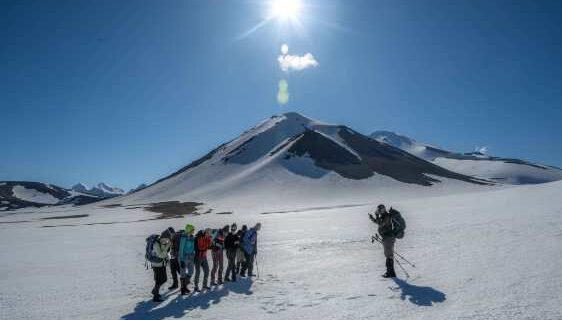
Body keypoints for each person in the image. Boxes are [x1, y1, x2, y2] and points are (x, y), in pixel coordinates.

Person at [369, 204, 396, 278]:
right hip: (387, 238)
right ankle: (390, 272)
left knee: (389, 255)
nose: (378, 211)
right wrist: (373, 219)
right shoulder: (384, 216)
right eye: (378, 210)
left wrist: (377, 216)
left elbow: (381, 224)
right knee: (388, 255)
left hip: (388, 238)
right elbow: (379, 223)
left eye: (379, 210)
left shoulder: (386, 216)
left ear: (382, 210)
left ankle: (390, 273)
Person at [150, 229, 172, 302]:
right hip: (156, 265)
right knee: (158, 280)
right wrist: (167, 247)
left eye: (168, 240)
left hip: (162, 264)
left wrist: (168, 260)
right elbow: (161, 255)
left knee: (164, 279)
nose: (167, 241)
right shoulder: (156, 244)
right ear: (163, 237)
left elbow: (165, 255)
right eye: (167, 239)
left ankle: (155, 291)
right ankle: (155, 296)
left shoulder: (163, 243)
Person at [178, 224, 196, 295]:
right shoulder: (183, 237)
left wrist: (193, 254)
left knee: (191, 271)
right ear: (189, 230)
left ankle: (185, 286)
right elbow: (181, 249)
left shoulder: (192, 237)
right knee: (183, 274)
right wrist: (181, 259)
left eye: (193, 230)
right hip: (184, 257)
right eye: (192, 230)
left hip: (190, 257)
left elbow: (193, 247)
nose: (193, 231)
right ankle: (183, 289)